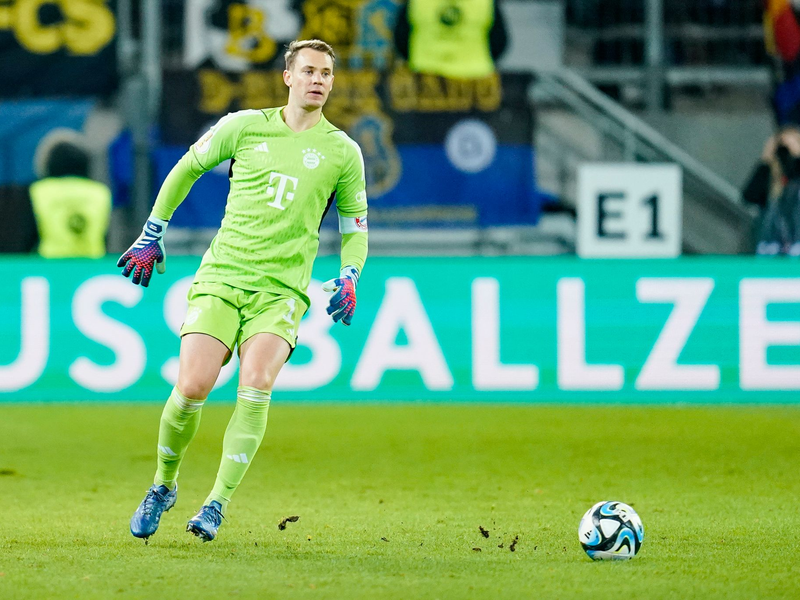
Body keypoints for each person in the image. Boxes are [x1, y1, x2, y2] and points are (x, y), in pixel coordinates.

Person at [119, 39, 369, 542]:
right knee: (192, 387)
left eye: (327, 74)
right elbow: (187, 167)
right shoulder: (244, 125)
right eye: (310, 71)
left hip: (281, 291)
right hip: (223, 277)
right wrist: (152, 231)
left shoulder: (343, 151)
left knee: (256, 383)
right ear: (288, 77)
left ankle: (216, 503)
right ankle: (162, 486)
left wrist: (350, 274)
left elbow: (355, 227)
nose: (319, 80)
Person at [30, 129, 111, 258]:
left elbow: (27, 236)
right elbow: (107, 236)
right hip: (92, 265)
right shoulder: (100, 192)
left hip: (49, 265)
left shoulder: (39, 191)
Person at [393, 0, 508, 79]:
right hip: (475, 75)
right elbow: (499, 39)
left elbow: (401, 35)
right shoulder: (483, 3)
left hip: (424, 73)